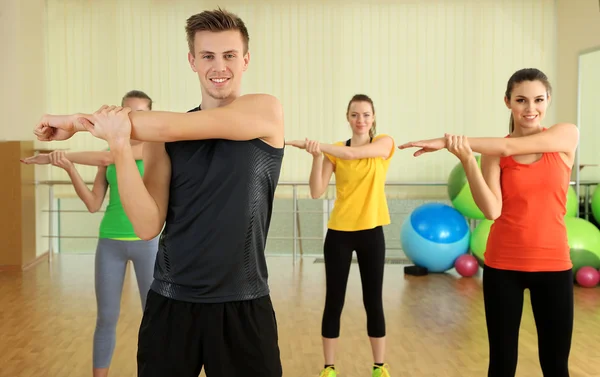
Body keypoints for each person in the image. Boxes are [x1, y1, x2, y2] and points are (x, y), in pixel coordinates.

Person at [33, 8, 285, 377]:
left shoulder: (265, 111)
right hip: (171, 302)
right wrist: (119, 146)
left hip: (244, 302)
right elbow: (148, 224)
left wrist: (77, 121)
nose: (220, 66)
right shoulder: (160, 139)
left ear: (245, 60)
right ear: (192, 61)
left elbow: (184, 125)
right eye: (208, 56)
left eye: (230, 55)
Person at [399, 68, 578, 377]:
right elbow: (492, 210)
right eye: (521, 100)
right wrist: (469, 159)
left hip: (553, 265)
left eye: (538, 100)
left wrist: (445, 140)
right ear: (508, 102)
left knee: (555, 366)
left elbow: (509, 146)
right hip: (504, 265)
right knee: (502, 364)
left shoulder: (565, 135)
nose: (530, 108)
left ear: (548, 100)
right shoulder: (493, 154)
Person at [23, 90, 157, 377]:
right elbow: (94, 203)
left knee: (155, 321)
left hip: (148, 244)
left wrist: (53, 157)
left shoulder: (150, 151)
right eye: (128, 113)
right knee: (105, 319)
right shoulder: (107, 160)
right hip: (110, 242)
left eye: (141, 113)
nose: (134, 120)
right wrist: (69, 168)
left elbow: (105, 157)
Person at [286, 94, 395, 377]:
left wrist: (314, 143)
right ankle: (329, 367)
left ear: (373, 118)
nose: (361, 120)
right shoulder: (334, 150)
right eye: (355, 115)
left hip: (372, 232)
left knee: (373, 300)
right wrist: (316, 156)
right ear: (348, 118)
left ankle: (379, 366)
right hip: (339, 234)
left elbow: (353, 155)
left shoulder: (384, 143)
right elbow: (316, 191)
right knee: (335, 300)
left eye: (366, 115)